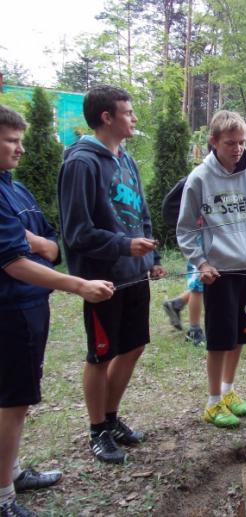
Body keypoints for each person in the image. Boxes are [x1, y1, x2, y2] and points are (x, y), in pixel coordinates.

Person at [1, 104, 114, 517]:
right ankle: (3, 498)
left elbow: (51, 244)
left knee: (20, 398)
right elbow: (12, 261)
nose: (21, 149)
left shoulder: (15, 189)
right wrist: (79, 285)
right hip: (8, 310)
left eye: (20, 139)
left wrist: (30, 241)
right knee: (10, 401)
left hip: (31, 306)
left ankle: (10, 471)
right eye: (11, 141)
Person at [58, 85, 165, 464]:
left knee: (133, 347)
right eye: (129, 113)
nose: (134, 118)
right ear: (107, 117)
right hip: (102, 280)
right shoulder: (81, 163)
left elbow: (142, 213)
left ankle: (112, 416)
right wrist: (123, 245)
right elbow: (76, 231)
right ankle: (97, 429)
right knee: (101, 355)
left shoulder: (127, 160)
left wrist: (150, 254)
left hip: (135, 272)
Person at [177, 110, 246, 428]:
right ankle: (212, 402)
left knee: (240, 335)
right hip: (219, 272)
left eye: (241, 142)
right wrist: (201, 263)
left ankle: (229, 390)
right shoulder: (199, 179)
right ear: (213, 142)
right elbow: (186, 229)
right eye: (230, 143)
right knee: (219, 339)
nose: (237, 149)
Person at [162, 267, 205, 346]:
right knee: (200, 283)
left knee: (209, 281)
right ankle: (194, 331)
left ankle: (176, 304)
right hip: (202, 258)